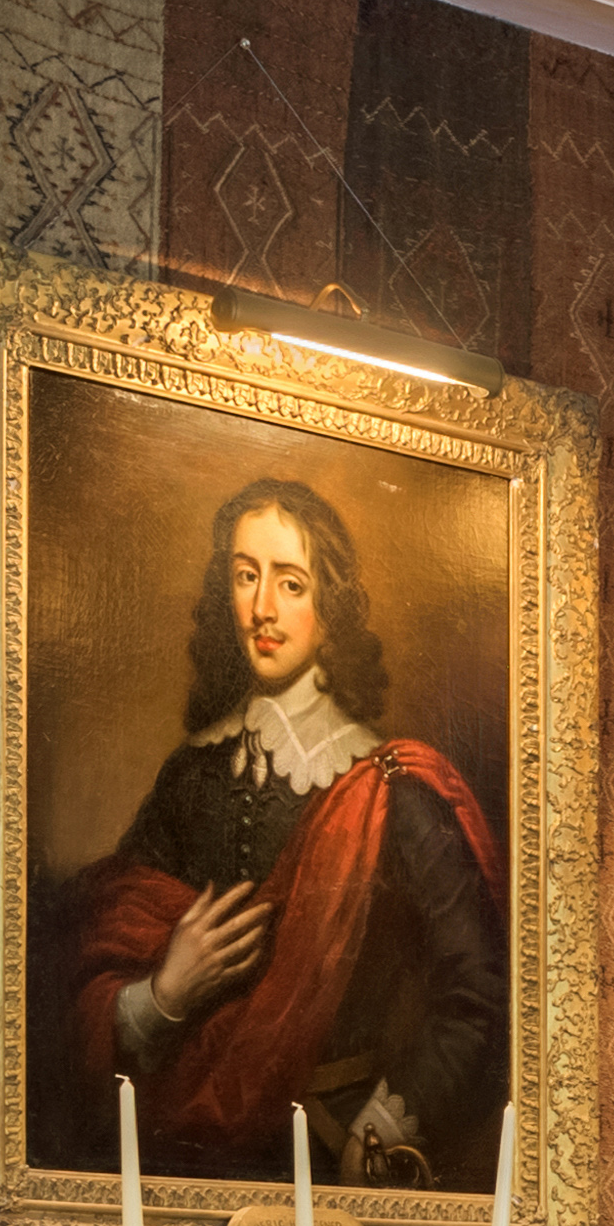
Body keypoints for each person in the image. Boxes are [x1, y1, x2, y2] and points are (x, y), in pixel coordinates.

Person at [66, 475, 507, 1180]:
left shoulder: (393, 789)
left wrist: (384, 1127)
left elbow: (477, 999)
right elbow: (102, 960)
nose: (262, 608)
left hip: (339, 1157)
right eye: (246, 577)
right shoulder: (191, 778)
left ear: (330, 607)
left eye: (291, 583)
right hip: (192, 1160)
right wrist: (162, 996)